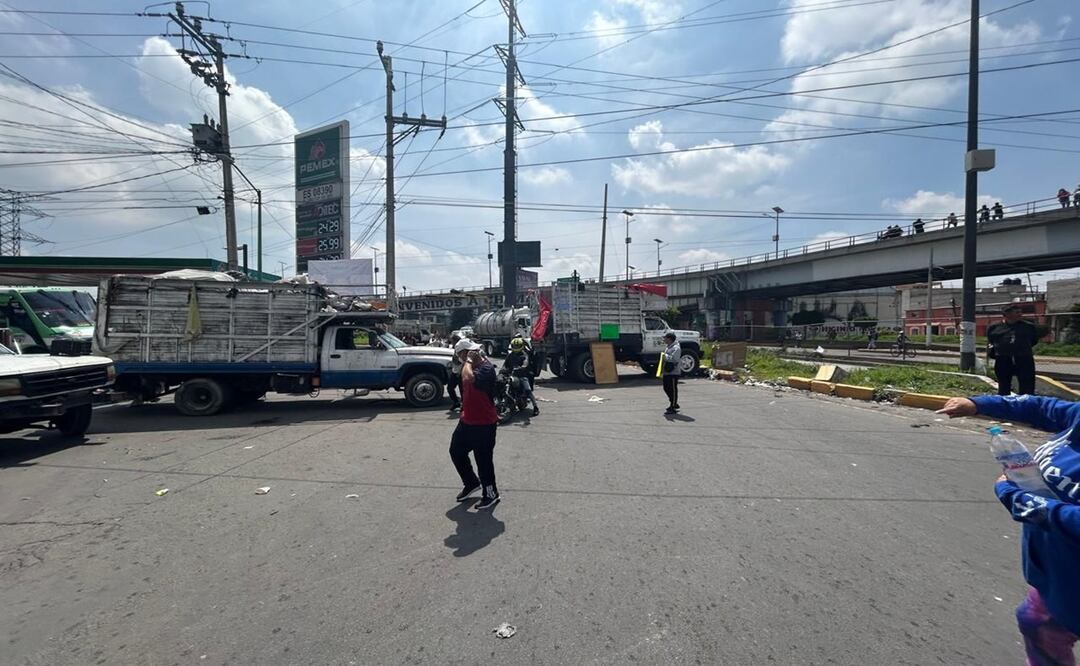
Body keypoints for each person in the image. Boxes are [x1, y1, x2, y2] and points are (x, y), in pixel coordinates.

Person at [937, 394, 1080, 664]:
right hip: (1060, 578)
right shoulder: (1077, 418)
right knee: (1035, 621)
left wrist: (1018, 499)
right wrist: (978, 404)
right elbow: (1042, 407)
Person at [449, 338, 500, 510]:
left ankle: (491, 494)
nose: (473, 354)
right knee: (456, 452)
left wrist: (469, 360)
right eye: (468, 353)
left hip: (484, 423)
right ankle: (471, 483)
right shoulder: (466, 367)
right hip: (467, 421)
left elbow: (468, 379)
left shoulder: (486, 368)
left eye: (473, 351)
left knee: (483, 461)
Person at [987, 304, 1041, 396]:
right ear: (1007, 314)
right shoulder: (994, 327)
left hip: (1023, 358)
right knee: (1004, 384)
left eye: (1020, 312)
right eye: (1017, 312)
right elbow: (991, 340)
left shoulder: (1028, 327)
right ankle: (1004, 404)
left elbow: (1034, 340)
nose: (1020, 314)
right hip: (1003, 358)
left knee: (1027, 384)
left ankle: (1026, 405)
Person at [501, 336, 539, 417]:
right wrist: (502, 370)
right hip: (512, 375)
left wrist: (522, 367)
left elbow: (526, 362)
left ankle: (535, 407)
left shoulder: (524, 355)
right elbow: (505, 364)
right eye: (514, 346)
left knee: (528, 390)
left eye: (517, 346)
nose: (516, 348)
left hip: (522, 375)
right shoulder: (510, 355)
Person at [661, 332, 681, 415]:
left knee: (672, 389)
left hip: (673, 372)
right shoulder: (668, 347)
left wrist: (664, 356)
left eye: (665, 338)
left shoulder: (676, 348)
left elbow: (675, 358)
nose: (664, 339)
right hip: (667, 372)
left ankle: (672, 407)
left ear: (669, 339)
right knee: (666, 388)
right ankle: (673, 402)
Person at [446, 333, 463, 411]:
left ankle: (464, 405)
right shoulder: (455, 348)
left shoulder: (461, 348)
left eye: (452, 341)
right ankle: (456, 402)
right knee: (450, 388)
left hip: (461, 372)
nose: (451, 342)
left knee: (462, 390)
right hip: (455, 371)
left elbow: (462, 361)